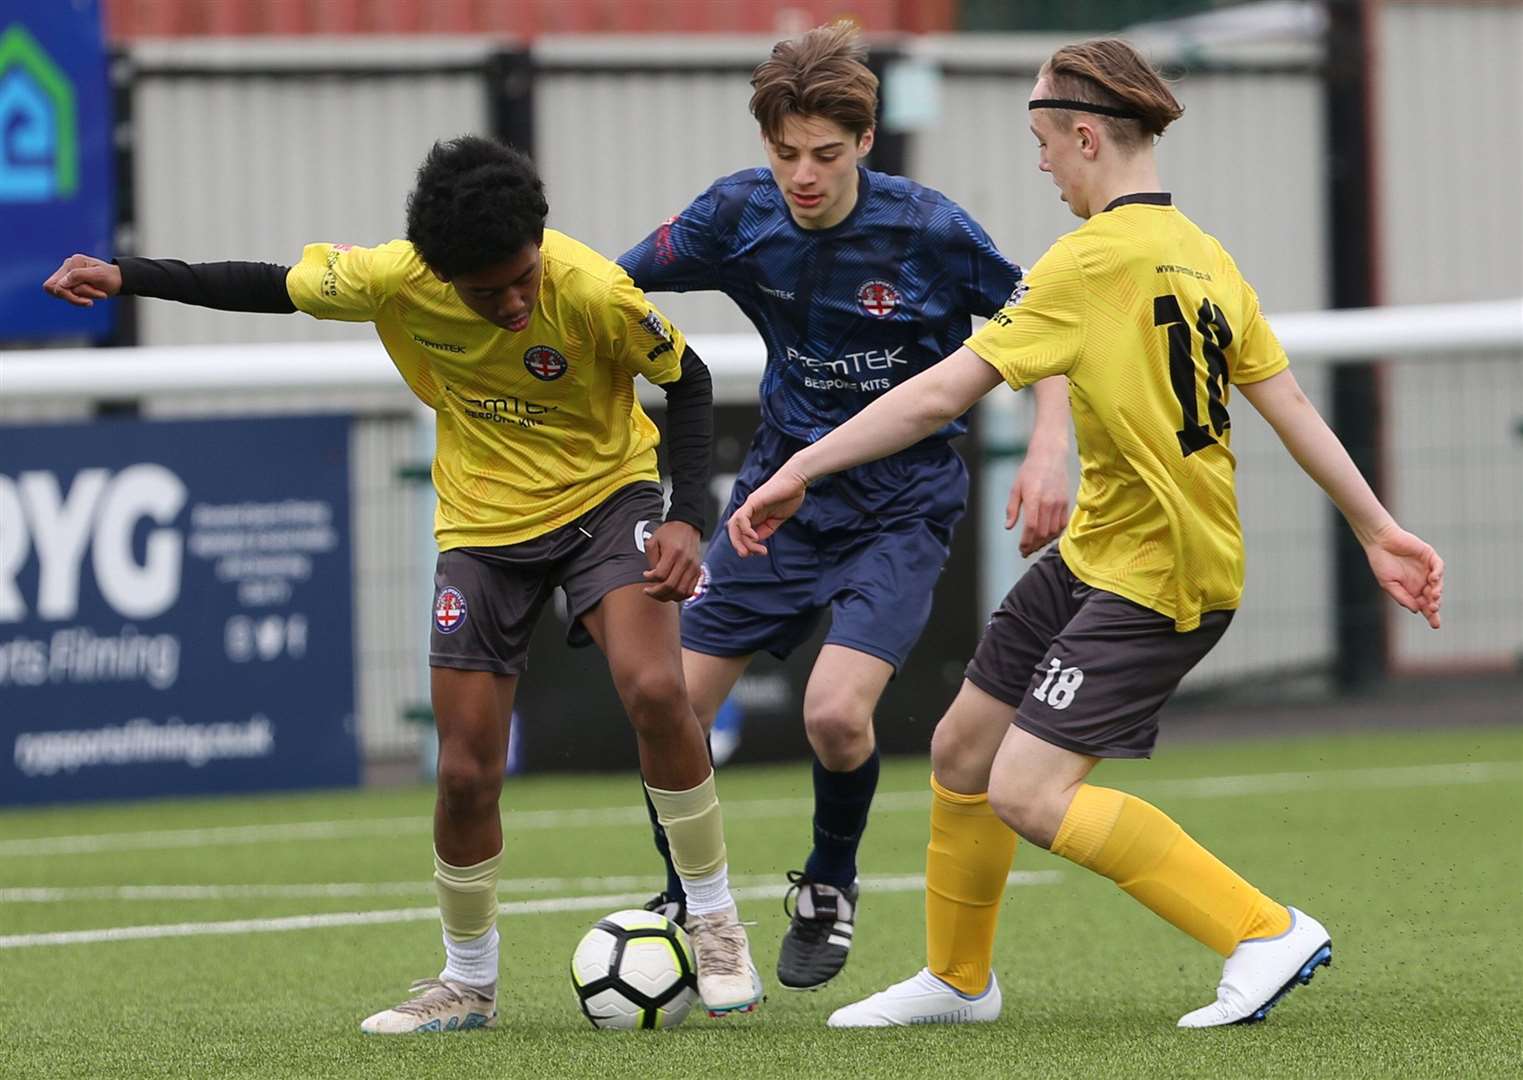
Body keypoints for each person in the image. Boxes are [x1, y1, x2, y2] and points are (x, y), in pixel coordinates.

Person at [726, 38, 1444, 1028]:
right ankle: (957, 978)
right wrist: (1376, 529)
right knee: (962, 748)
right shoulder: (1201, 251)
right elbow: (1285, 406)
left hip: (1158, 572)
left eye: (1041, 142)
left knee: (1025, 790)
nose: (1039, 164)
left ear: (1085, 136)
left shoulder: (1087, 262)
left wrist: (799, 465)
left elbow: (940, 390)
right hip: (1100, 550)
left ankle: (1261, 930)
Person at [42, 136, 764, 1031]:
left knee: (656, 689)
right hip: (482, 527)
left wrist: (688, 514)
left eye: (522, 277)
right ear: (439, 273)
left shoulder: (589, 289)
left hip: (605, 499)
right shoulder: (391, 277)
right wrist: (129, 276)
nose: (511, 302)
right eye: (485, 290)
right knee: (464, 772)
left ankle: (717, 922)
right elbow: (268, 285)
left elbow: (686, 381)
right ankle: (467, 985)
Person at [618, 21, 1073, 991]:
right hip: (779, 500)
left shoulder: (927, 229)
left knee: (832, 714)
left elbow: (1041, 322)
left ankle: (828, 882)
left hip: (899, 507)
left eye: (825, 154)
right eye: (785, 154)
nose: (803, 175)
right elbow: (606, 285)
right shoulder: (736, 216)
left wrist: (1047, 440)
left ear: (865, 142)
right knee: (669, 711)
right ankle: (689, 905)